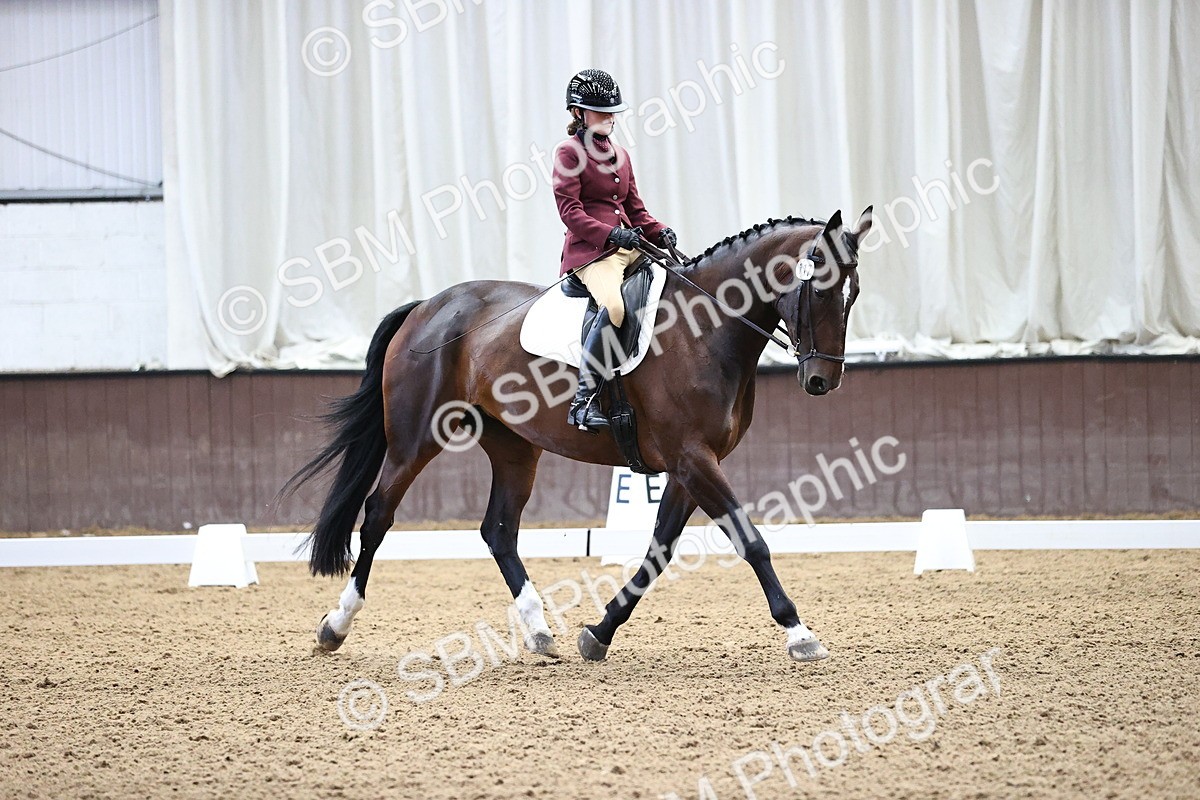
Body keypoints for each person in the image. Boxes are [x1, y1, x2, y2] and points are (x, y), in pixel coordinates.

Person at [552, 69, 677, 431]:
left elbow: (636, 209)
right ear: (578, 113)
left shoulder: (621, 154)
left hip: (630, 246)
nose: (610, 117)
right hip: (591, 254)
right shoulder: (568, 153)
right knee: (615, 305)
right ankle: (583, 401)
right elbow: (570, 213)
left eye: (612, 112)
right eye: (600, 111)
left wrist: (660, 230)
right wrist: (612, 235)